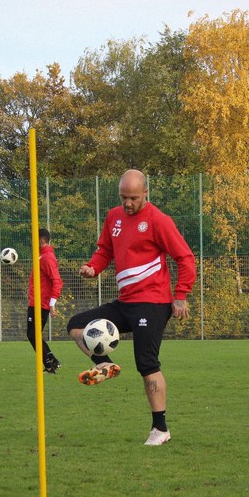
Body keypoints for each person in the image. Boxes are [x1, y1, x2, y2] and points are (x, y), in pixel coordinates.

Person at [67, 169, 196, 446]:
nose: (127, 203)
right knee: (76, 325)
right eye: (123, 197)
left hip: (153, 302)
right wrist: (93, 268)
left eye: (134, 198)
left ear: (145, 193)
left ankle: (160, 429)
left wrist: (180, 295)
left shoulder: (159, 220)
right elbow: (105, 250)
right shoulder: (114, 217)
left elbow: (185, 257)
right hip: (126, 302)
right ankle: (104, 364)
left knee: (146, 364)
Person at [27, 227, 64, 373]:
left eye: (34, 239)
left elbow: (57, 281)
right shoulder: (41, 256)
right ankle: (52, 361)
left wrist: (52, 303)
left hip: (40, 304)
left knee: (32, 335)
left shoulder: (47, 257)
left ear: (41, 240)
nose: (32, 242)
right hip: (35, 302)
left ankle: (49, 364)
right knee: (34, 334)